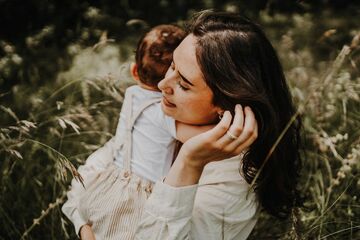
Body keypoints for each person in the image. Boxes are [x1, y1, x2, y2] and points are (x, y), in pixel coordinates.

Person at [132, 11, 302, 239]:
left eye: (183, 84)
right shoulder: (171, 117)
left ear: (226, 103)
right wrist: (86, 227)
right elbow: (90, 176)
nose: (163, 84)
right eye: (172, 66)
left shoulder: (232, 185)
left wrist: (189, 163)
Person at [62, 24, 214, 240]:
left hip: (108, 183)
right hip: (136, 196)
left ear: (134, 71)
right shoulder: (162, 113)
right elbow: (201, 138)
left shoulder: (132, 96)